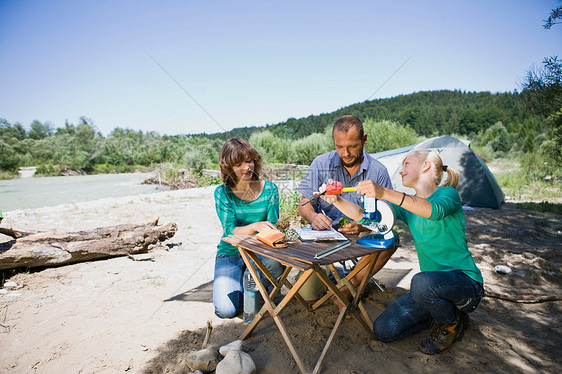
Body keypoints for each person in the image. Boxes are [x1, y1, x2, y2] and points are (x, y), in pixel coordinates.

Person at [318, 150, 484, 354]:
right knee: (383, 330)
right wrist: (336, 201)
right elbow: (369, 219)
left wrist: (385, 192)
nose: (401, 171)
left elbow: (434, 211)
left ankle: (452, 322)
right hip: (429, 290)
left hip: (464, 284)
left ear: (426, 166)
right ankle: (439, 313)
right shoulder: (407, 207)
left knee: (421, 282)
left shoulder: (448, 194)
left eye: (407, 164)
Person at [297, 114, 395, 282]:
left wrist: (361, 226)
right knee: (308, 293)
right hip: (325, 237)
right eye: (339, 146)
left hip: (361, 239)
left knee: (391, 239)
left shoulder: (378, 171)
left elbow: (386, 218)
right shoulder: (321, 163)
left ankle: (348, 286)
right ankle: (347, 283)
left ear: (364, 140)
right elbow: (303, 204)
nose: (346, 153)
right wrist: (314, 217)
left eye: (352, 146)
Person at [213, 138, 285, 319]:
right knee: (226, 310)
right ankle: (250, 282)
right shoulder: (222, 193)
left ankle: (254, 282)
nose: (247, 167)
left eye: (249, 160)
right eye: (239, 163)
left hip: (260, 251)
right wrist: (254, 226)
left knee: (256, 280)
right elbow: (230, 230)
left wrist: (277, 228)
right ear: (228, 167)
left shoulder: (270, 189)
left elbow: (273, 228)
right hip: (230, 253)